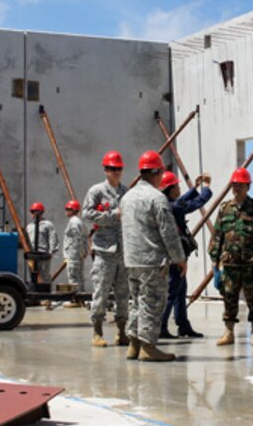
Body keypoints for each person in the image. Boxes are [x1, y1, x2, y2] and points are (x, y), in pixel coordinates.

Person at [120, 151, 187, 362]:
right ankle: (148, 347)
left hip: (132, 260)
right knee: (151, 303)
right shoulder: (157, 198)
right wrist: (179, 258)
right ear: (156, 173)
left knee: (136, 302)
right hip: (152, 261)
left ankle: (134, 344)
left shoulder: (127, 197)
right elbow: (168, 232)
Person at [208, 167, 253, 347]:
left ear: (248, 187)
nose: (236, 188)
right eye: (234, 185)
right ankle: (228, 332)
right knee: (229, 297)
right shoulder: (224, 208)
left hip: (251, 262)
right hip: (230, 262)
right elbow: (217, 234)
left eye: (240, 185)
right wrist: (215, 258)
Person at [82, 150, 130, 347]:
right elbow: (87, 213)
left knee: (123, 293)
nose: (116, 171)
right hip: (104, 250)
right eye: (112, 168)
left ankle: (121, 331)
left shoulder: (126, 193)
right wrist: (112, 215)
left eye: (118, 168)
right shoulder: (97, 192)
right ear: (105, 170)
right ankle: (97, 331)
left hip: (123, 250)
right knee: (101, 291)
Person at [159, 171, 212, 339]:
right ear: (170, 189)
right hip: (176, 257)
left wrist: (195, 187)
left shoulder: (167, 204)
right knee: (172, 292)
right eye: (177, 186)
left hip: (173, 256)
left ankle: (183, 325)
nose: (179, 189)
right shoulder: (174, 207)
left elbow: (183, 200)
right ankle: (161, 327)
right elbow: (196, 203)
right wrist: (207, 188)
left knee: (180, 292)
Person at [62, 199, 88, 301]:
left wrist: (74, 253)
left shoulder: (74, 222)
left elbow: (77, 239)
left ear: (74, 210)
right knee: (80, 277)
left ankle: (75, 299)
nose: (66, 210)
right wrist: (83, 251)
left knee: (73, 277)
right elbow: (85, 238)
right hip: (77, 254)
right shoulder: (79, 222)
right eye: (66, 208)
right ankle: (82, 298)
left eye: (69, 209)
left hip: (73, 254)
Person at [27, 202, 59, 284]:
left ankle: (46, 294)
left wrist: (51, 252)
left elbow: (53, 238)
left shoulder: (47, 225)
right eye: (32, 211)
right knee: (33, 276)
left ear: (39, 212)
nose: (32, 213)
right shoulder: (30, 226)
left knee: (44, 276)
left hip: (43, 254)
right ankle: (36, 293)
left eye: (34, 211)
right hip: (32, 255)